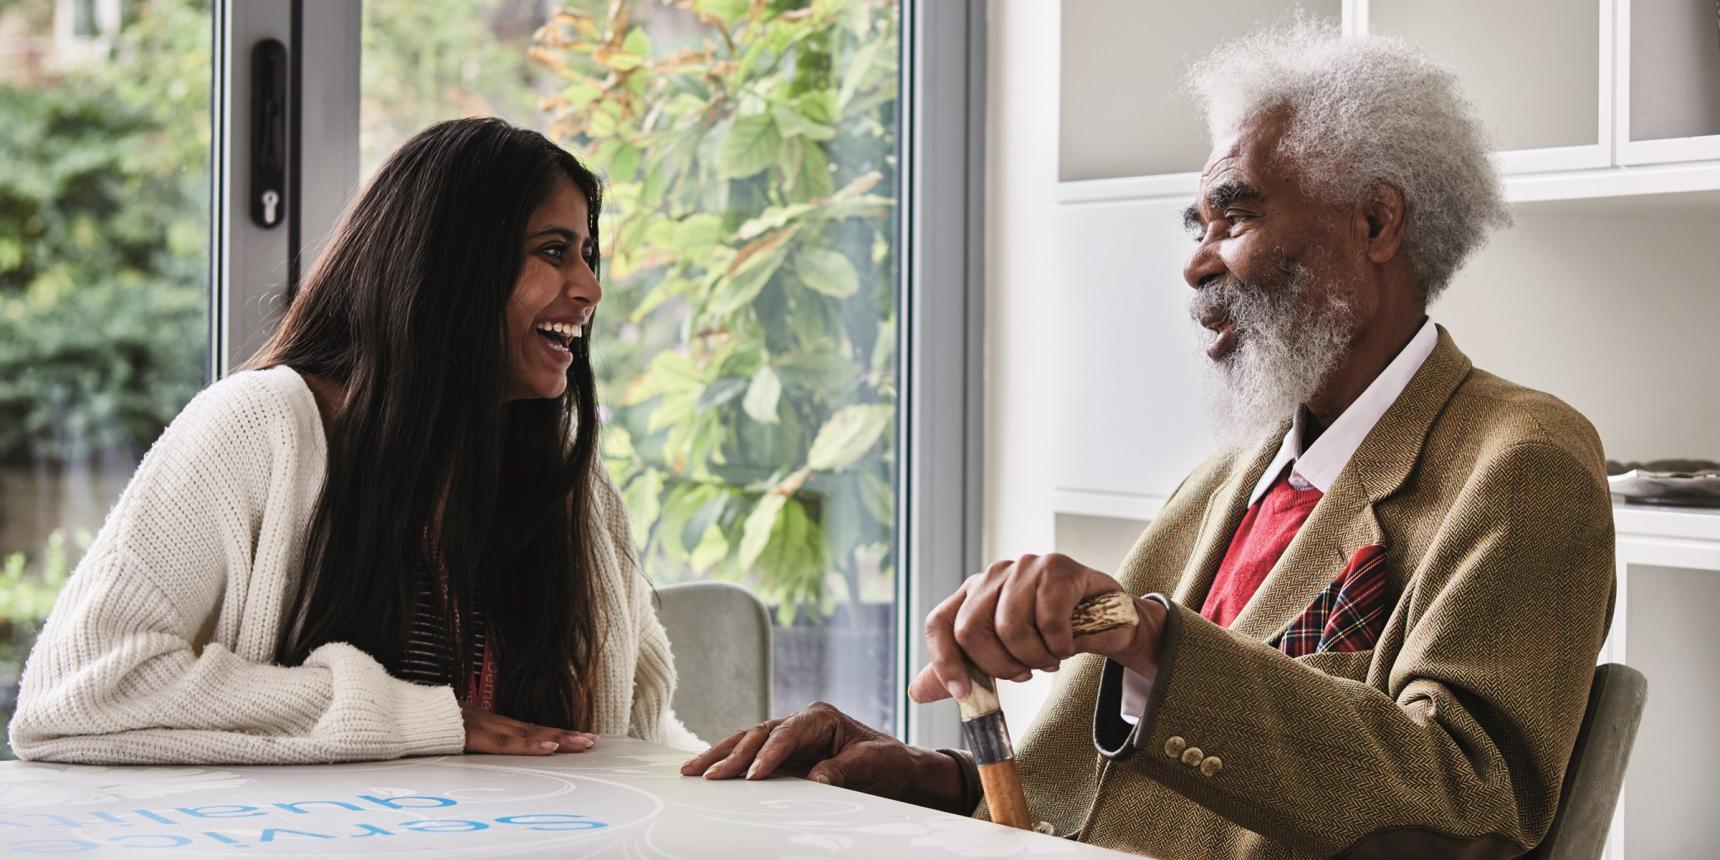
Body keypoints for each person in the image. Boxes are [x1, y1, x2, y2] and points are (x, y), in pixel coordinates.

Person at [684, 23, 1615, 859]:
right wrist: (940, 781)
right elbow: (1109, 802)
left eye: (1235, 216)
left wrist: (1149, 639)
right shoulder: (1220, 486)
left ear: (1375, 221)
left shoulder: (1522, 465)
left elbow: (1467, 809)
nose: (1196, 262)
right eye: (1196, 226)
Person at [11, 118, 698, 764]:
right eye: (553, 252)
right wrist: (421, 718)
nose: (590, 288)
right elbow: (83, 691)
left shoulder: (574, 488)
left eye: (586, 255)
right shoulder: (256, 428)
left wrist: (752, 773)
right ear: (452, 264)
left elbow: (637, 737)